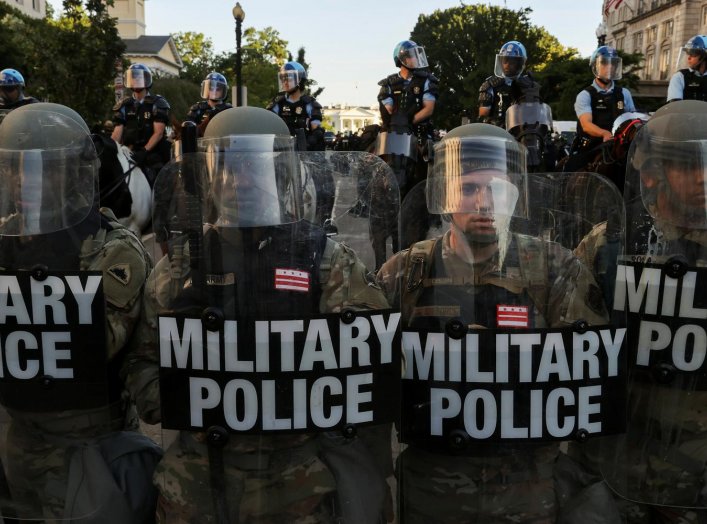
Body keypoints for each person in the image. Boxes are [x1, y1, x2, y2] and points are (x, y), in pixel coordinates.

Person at [123, 106, 397, 523]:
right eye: (229, 168)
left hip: (300, 480)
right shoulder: (180, 269)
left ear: (281, 173)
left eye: (255, 167)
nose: (241, 181)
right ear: (211, 178)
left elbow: (370, 362)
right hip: (198, 483)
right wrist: (196, 393)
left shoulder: (323, 258)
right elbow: (143, 368)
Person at [377, 123, 612, 523]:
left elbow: (591, 377)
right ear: (445, 193)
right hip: (432, 490)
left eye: (498, 189)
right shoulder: (406, 271)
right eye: (469, 188)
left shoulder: (555, 269)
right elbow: (368, 379)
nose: (484, 202)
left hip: (528, 488)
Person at [0, 102, 157, 521]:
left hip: (88, 450)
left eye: (43, 169)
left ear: (72, 173)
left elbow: (91, 345)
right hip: (16, 438)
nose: (23, 180)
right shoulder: (5, 236)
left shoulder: (111, 248)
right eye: (15, 168)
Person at [572, 46, 636, 154]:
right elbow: (586, 125)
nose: (610, 67)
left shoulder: (624, 93)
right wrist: (604, 133)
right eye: (605, 63)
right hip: (590, 148)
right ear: (595, 66)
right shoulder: (585, 95)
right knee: (571, 167)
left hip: (618, 148)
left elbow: (632, 120)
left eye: (613, 63)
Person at [111, 63, 171, 177]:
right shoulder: (124, 105)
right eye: (133, 78)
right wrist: (111, 148)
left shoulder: (157, 103)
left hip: (152, 154)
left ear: (146, 80)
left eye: (139, 77)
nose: (136, 80)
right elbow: (117, 134)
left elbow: (158, 134)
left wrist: (144, 151)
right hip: (128, 152)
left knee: (159, 179)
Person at [478, 40, 542, 128]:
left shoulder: (528, 85)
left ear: (520, 64)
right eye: (505, 61)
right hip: (496, 132)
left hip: (522, 132)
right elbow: (483, 116)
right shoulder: (490, 84)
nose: (507, 65)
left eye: (512, 62)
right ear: (500, 62)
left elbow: (536, 114)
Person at [267, 61, 325, 151]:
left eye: (289, 79)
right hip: (282, 152)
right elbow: (267, 125)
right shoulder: (278, 104)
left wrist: (309, 143)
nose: (285, 82)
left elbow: (317, 131)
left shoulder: (309, 104)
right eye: (283, 79)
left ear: (300, 80)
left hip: (303, 153)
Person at [185, 71, 233, 137]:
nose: (214, 92)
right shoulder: (196, 109)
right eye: (211, 88)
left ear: (223, 91)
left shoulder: (229, 110)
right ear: (206, 89)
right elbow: (188, 132)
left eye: (218, 89)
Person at [667, 35, 707, 102]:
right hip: (685, 112)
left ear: (705, 57)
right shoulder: (680, 77)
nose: (689, 58)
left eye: (693, 53)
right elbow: (674, 105)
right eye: (688, 53)